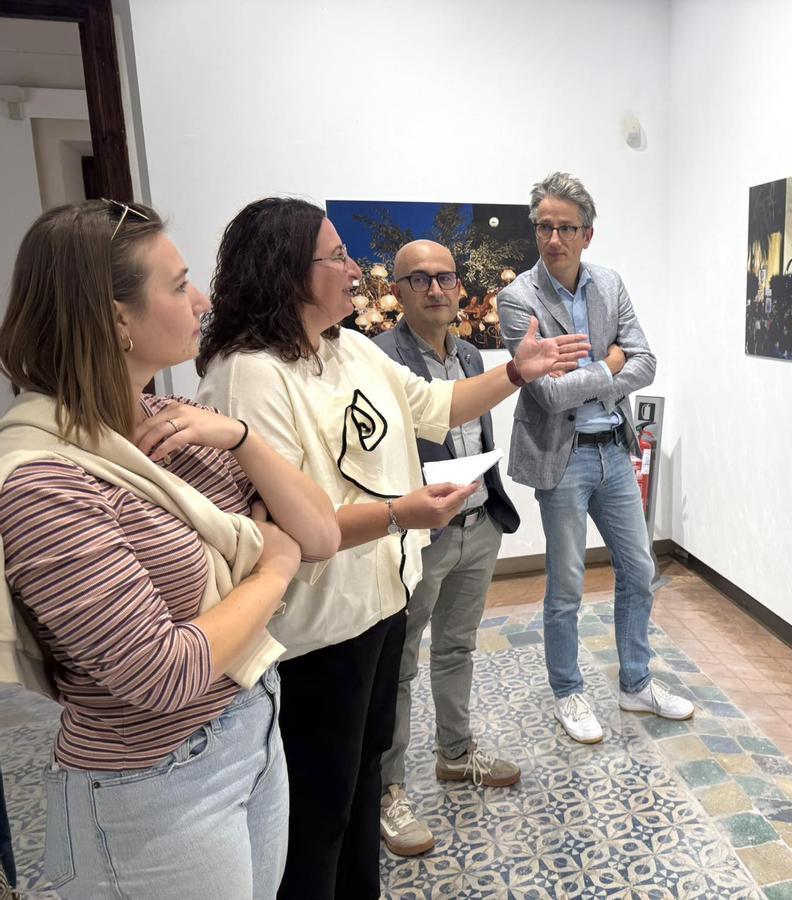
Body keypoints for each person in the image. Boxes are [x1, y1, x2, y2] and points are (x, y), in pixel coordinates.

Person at [195, 198, 587, 900]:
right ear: (286, 273)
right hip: (312, 635)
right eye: (337, 257)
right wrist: (400, 513)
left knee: (362, 783)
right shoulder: (248, 372)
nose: (355, 271)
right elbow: (284, 527)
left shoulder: (348, 348)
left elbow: (437, 407)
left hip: (377, 605)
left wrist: (518, 372)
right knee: (318, 815)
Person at [0, 200, 339, 899]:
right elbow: (164, 673)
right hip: (153, 780)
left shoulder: (172, 422)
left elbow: (320, 535)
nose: (202, 300)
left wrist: (242, 438)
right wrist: (271, 568)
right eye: (178, 283)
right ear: (117, 318)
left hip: (248, 723)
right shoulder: (44, 481)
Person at [498, 172, 693, 745]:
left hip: (613, 449)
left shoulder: (609, 283)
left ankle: (635, 683)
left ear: (587, 234)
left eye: (565, 227)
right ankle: (567, 690)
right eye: (543, 226)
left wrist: (598, 370)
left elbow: (647, 362)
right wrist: (608, 365)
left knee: (639, 569)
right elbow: (549, 394)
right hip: (562, 460)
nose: (552, 238)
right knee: (567, 585)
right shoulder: (519, 300)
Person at [372, 241, 521, 857]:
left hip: (478, 523)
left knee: (457, 646)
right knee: (399, 664)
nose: (436, 289)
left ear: (460, 288)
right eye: (420, 279)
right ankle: (388, 791)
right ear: (399, 292)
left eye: (445, 277)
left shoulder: (469, 355)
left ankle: (455, 755)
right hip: (419, 536)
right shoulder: (382, 360)